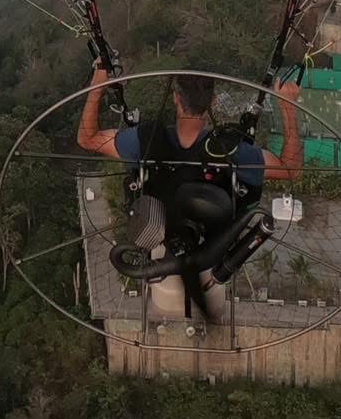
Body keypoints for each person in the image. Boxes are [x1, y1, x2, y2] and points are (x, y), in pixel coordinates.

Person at [77, 68, 302, 322]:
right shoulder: (232, 151)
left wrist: (97, 86)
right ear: (213, 102)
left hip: (163, 239)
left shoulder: (146, 141)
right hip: (212, 247)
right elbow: (290, 169)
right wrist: (287, 107)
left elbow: (88, 138)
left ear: (175, 97)